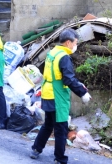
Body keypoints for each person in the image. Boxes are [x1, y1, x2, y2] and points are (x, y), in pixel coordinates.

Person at [30, 29, 91, 163]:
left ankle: (36, 149)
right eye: (75, 42)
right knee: (61, 128)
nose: (76, 45)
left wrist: (78, 84)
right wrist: (83, 93)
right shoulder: (63, 57)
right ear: (68, 42)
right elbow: (68, 79)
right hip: (57, 97)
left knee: (48, 124)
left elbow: (57, 76)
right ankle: (60, 158)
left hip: (47, 93)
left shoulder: (52, 53)